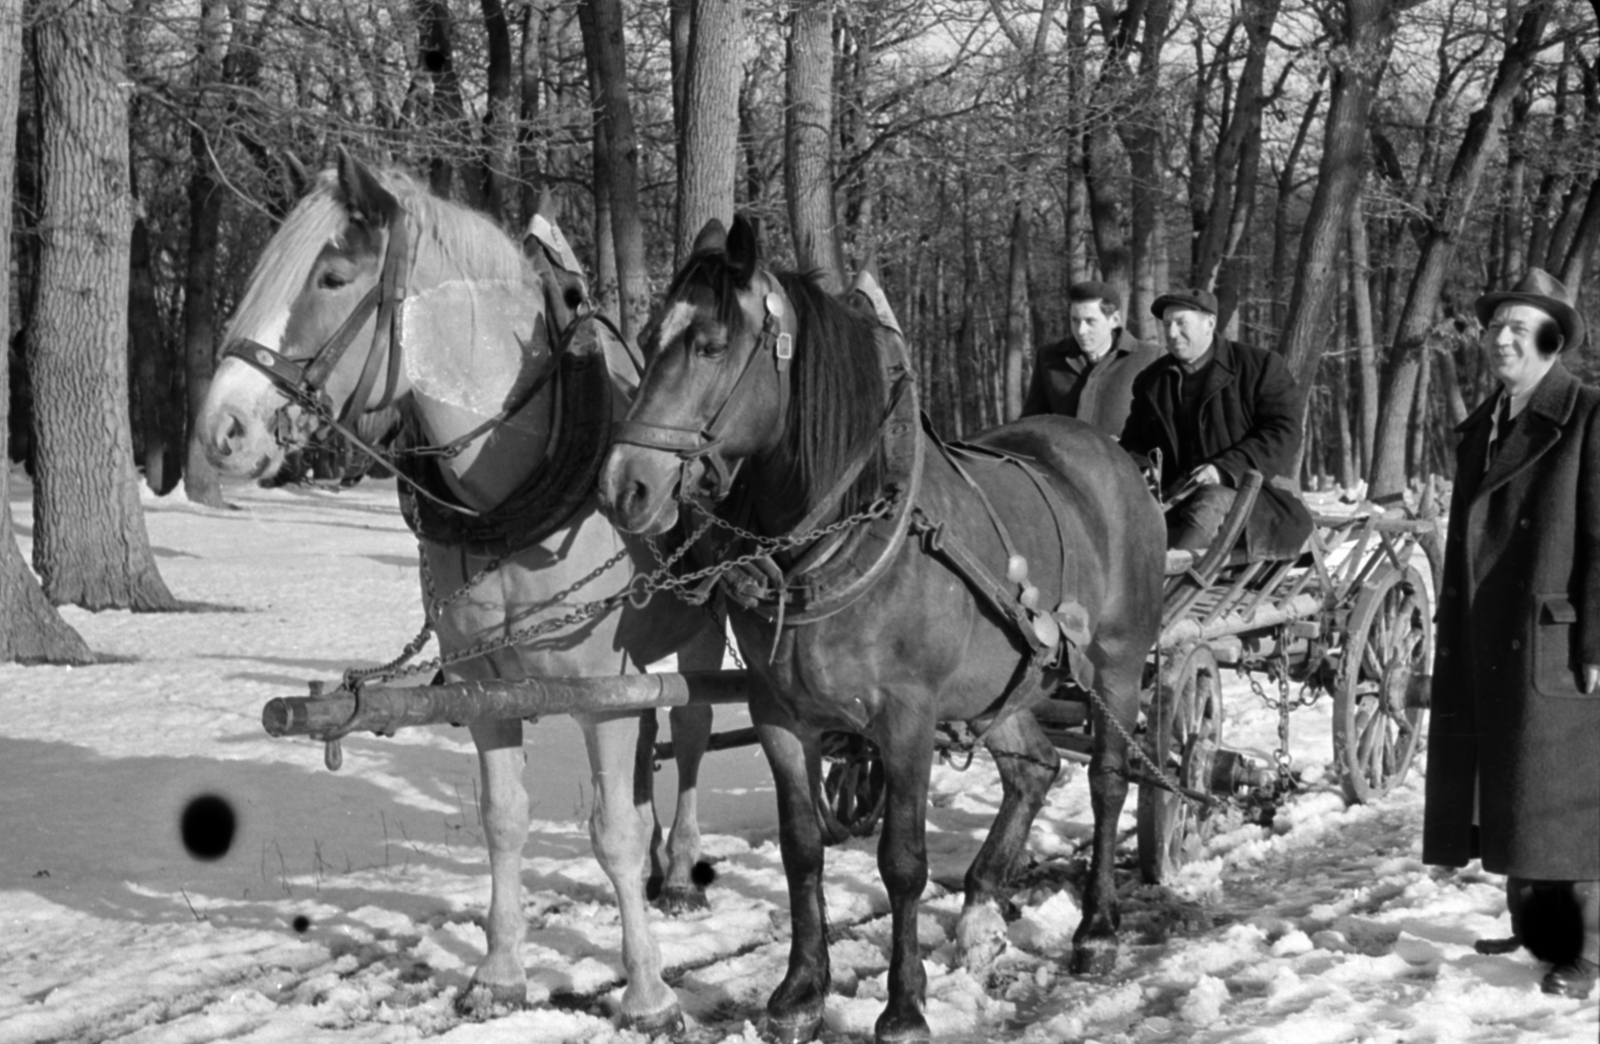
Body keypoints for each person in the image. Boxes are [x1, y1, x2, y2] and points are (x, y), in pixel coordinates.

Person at [1421, 268, 1600, 999]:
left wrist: (1595, 641)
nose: (1502, 340)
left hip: (1553, 634)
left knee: (1563, 792)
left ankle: (1586, 950)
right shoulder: (1482, 426)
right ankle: (1537, 932)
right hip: (1486, 629)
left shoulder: (1587, 415)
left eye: (1521, 330)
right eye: (1497, 328)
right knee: (1509, 785)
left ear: (1554, 342)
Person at [1117, 287, 1312, 557]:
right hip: (1171, 497)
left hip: (1247, 496)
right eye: (1166, 324)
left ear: (1210, 323)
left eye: (1181, 323)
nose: (1172, 333)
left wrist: (1224, 469)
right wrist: (1142, 466)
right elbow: (1134, 442)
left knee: (1210, 502)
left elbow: (1284, 431)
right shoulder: (1151, 380)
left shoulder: (1259, 366)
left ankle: (1171, 588)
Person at [1020, 280, 1162, 437]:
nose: (1081, 331)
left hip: (1126, 460)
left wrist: (1127, 445)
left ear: (1114, 320)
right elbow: (1031, 421)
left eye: (1090, 321)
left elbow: (1162, 426)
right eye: (1075, 320)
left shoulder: (1150, 358)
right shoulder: (1049, 358)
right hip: (1061, 459)